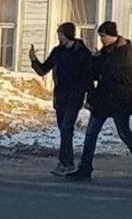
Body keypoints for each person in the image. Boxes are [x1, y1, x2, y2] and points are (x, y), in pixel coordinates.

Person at [66, 21, 132, 181]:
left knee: (124, 133)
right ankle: (85, 168)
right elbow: (97, 72)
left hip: (119, 100)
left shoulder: (126, 52)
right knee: (91, 133)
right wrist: (92, 64)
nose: (101, 39)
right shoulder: (104, 52)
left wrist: (111, 74)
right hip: (102, 100)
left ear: (111, 36)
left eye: (103, 36)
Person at [29, 22, 93, 176]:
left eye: (61, 34)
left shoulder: (82, 52)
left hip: (75, 96)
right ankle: (67, 162)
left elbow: (88, 77)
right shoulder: (58, 51)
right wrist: (33, 60)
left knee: (66, 128)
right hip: (60, 97)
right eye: (58, 34)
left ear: (68, 34)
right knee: (64, 131)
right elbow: (43, 70)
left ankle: (66, 163)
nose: (59, 37)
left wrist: (89, 97)